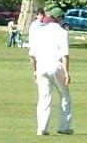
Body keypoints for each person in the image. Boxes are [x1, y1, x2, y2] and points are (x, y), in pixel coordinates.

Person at [28, 7, 73, 136]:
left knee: (44, 98)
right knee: (64, 96)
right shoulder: (62, 32)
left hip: (41, 66)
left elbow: (32, 55)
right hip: (56, 65)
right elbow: (64, 54)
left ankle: (42, 128)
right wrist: (66, 71)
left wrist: (35, 70)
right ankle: (64, 127)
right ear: (59, 19)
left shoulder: (39, 31)